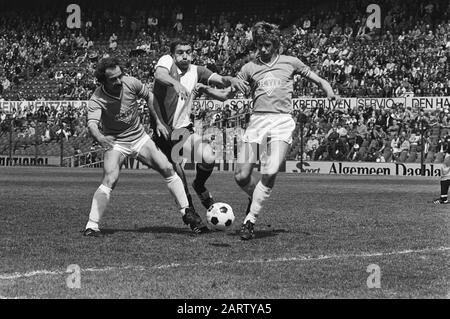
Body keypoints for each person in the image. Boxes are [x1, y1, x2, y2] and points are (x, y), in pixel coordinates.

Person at [197, 22, 340, 240]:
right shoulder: (249, 68)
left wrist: (329, 91)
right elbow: (227, 95)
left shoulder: (290, 62)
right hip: (257, 122)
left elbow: (318, 79)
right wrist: (206, 89)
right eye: (259, 45)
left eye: (267, 45)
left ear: (275, 43)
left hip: (281, 122)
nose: (262, 49)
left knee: (271, 169)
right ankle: (255, 199)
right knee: (241, 175)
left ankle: (250, 221)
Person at [83, 56, 207, 237]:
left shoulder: (131, 82)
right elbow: (92, 124)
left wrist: (157, 121)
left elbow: (150, 96)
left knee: (167, 168)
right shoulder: (97, 99)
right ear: (103, 81)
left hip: (139, 137)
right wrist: (101, 138)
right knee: (110, 178)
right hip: (116, 141)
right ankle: (92, 225)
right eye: (113, 79)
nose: (119, 81)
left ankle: (186, 212)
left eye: (120, 76)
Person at [152, 38, 247, 212]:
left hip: (183, 130)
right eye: (180, 52)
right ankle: (190, 212)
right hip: (163, 130)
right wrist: (175, 83)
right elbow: (159, 75)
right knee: (178, 175)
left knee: (209, 156)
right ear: (173, 54)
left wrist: (232, 80)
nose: (185, 55)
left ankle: (200, 185)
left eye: (188, 52)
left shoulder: (197, 71)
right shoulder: (166, 63)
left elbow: (222, 81)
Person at [434, 139, 450, 204]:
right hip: (446, 175)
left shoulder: (448, 156)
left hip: (447, 175)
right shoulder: (447, 155)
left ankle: (443, 199)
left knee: (444, 183)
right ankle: (443, 197)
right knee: (444, 184)